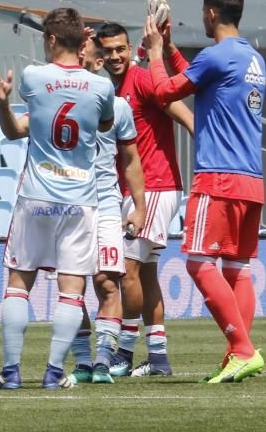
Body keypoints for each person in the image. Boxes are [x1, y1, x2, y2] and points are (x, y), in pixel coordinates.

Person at [0, 7, 122, 390]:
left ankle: (11, 370)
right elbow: (105, 123)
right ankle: (52, 371)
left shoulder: (33, 77)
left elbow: (24, 126)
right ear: (84, 43)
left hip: (36, 195)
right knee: (72, 289)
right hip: (81, 200)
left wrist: (1, 101)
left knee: (17, 283)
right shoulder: (101, 87)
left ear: (49, 40)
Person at [143, 0, 266, 383]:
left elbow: (164, 92)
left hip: (218, 177)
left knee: (197, 262)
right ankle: (238, 354)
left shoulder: (217, 55)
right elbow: (201, 75)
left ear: (211, 14)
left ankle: (244, 349)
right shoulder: (252, 57)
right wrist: (172, 48)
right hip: (251, 178)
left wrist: (156, 54)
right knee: (236, 268)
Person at [94, 22, 193, 377]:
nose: (115, 56)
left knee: (128, 272)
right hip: (142, 189)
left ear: (129, 47)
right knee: (146, 273)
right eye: (107, 50)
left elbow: (184, 115)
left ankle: (123, 351)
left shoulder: (143, 79)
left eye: (120, 49)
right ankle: (159, 359)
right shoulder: (111, 87)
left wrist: (211, 155)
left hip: (153, 188)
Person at [69, 35, 147, 385]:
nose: (77, 58)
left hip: (105, 204)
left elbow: (131, 160)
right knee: (69, 289)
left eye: (83, 53)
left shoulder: (118, 107)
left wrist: (140, 206)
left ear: (98, 62)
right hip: (68, 204)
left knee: (106, 283)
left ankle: (102, 360)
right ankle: (82, 362)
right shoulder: (62, 99)